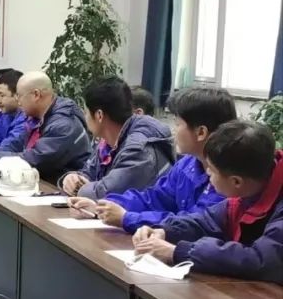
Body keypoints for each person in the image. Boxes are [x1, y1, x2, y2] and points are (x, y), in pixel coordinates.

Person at [132, 121, 282, 284]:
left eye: (212, 169)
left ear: (236, 181)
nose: (207, 173)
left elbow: (260, 260)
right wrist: (165, 231)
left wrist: (177, 252)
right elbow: (207, 222)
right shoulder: (249, 190)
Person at [70, 87, 236, 232]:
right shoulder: (187, 164)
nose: (173, 130)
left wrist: (127, 218)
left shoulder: (228, 177)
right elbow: (153, 198)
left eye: (178, 124)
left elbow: (194, 224)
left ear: (201, 133)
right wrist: (103, 206)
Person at [58, 77, 175, 199]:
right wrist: (72, 179)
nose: (84, 116)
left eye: (86, 112)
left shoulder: (139, 149)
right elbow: (88, 173)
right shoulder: (107, 142)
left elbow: (107, 193)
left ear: (99, 115)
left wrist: (80, 189)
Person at [0, 71, 93, 181]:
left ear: (36, 95)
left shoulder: (63, 125)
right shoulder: (35, 117)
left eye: (19, 96)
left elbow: (34, 160)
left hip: (60, 186)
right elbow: (15, 144)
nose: (18, 102)